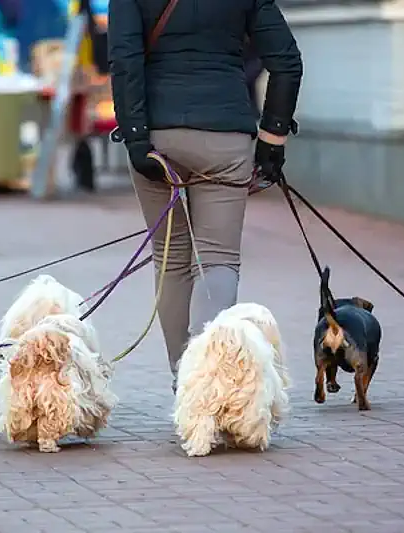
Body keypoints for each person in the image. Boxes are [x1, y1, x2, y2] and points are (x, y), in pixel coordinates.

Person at [108, 0, 302, 392]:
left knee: (170, 261)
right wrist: (272, 139)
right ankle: (209, 382)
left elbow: (124, 60)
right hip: (225, 136)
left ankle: (186, 384)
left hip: (157, 135)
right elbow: (287, 62)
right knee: (218, 260)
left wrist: (134, 138)